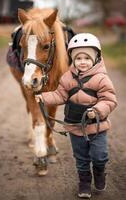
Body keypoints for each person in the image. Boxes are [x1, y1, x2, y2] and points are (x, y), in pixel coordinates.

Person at [35, 33, 117, 198]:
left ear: (96, 58)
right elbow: (60, 95)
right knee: (81, 159)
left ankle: (100, 173)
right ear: (72, 59)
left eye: (87, 58)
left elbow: (109, 100)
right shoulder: (67, 78)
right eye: (78, 58)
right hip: (74, 126)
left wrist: (97, 110)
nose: (82, 62)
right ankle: (84, 183)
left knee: (100, 156)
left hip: (96, 127)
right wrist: (44, 97)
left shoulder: (101, 79)